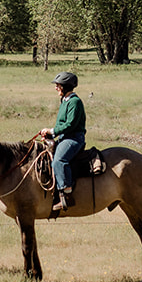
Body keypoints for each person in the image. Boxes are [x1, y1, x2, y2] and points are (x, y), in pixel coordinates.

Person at [38, 71, 85, 212]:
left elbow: (70, 124)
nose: (56, 88)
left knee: (59, 160)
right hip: (65, 137)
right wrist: (49, 135)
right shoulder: (65, 101)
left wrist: (52, 131)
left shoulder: (75, 102)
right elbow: (62, 125)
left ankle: (67, 195)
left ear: (65, 86)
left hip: (74, 139)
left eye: (58, 85)